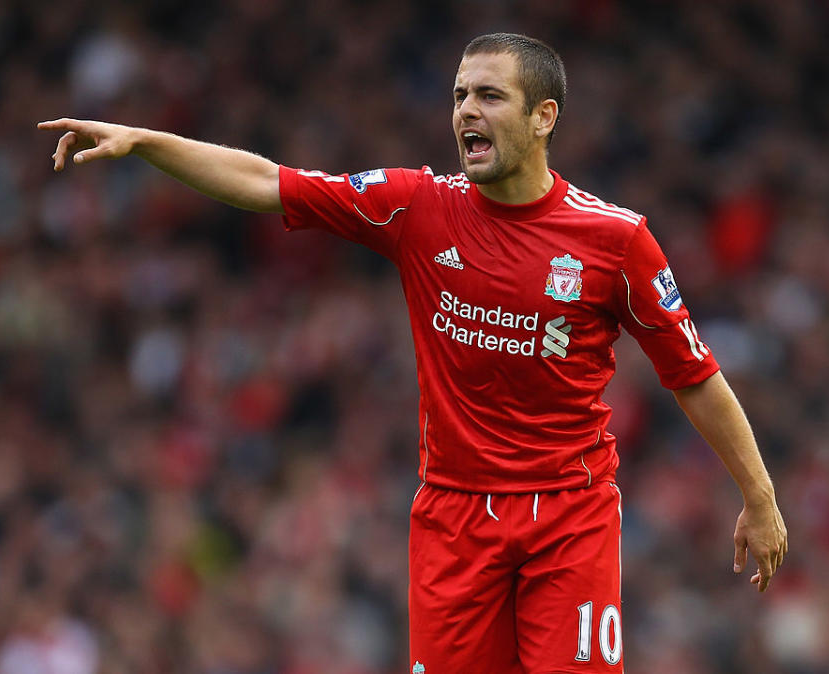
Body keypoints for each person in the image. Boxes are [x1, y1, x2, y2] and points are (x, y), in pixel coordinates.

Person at [40, 32, 786, 674]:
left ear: (543, 117)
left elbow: (695, 376)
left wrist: (758, 497)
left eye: (490, 96)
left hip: (569, 513)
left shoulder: (615, 241)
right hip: (453, 517)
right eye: (460, 94)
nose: (466, 110)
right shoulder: (418, 206)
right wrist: (147, 143)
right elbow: (269, 182)